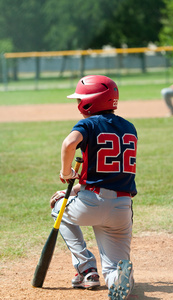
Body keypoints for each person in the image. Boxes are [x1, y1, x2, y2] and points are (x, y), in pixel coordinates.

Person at [50, 75, 138, 300]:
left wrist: (66, 173)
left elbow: (69, 143)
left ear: (89, 102)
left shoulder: (88, 124)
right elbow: (108, 176)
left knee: (58, 206)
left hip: (91, 205)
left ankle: (87, 269)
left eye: (80, 98)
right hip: (122, 207)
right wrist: (79, 187)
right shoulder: (129, 128)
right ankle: (118, 278)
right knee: (113, 266)